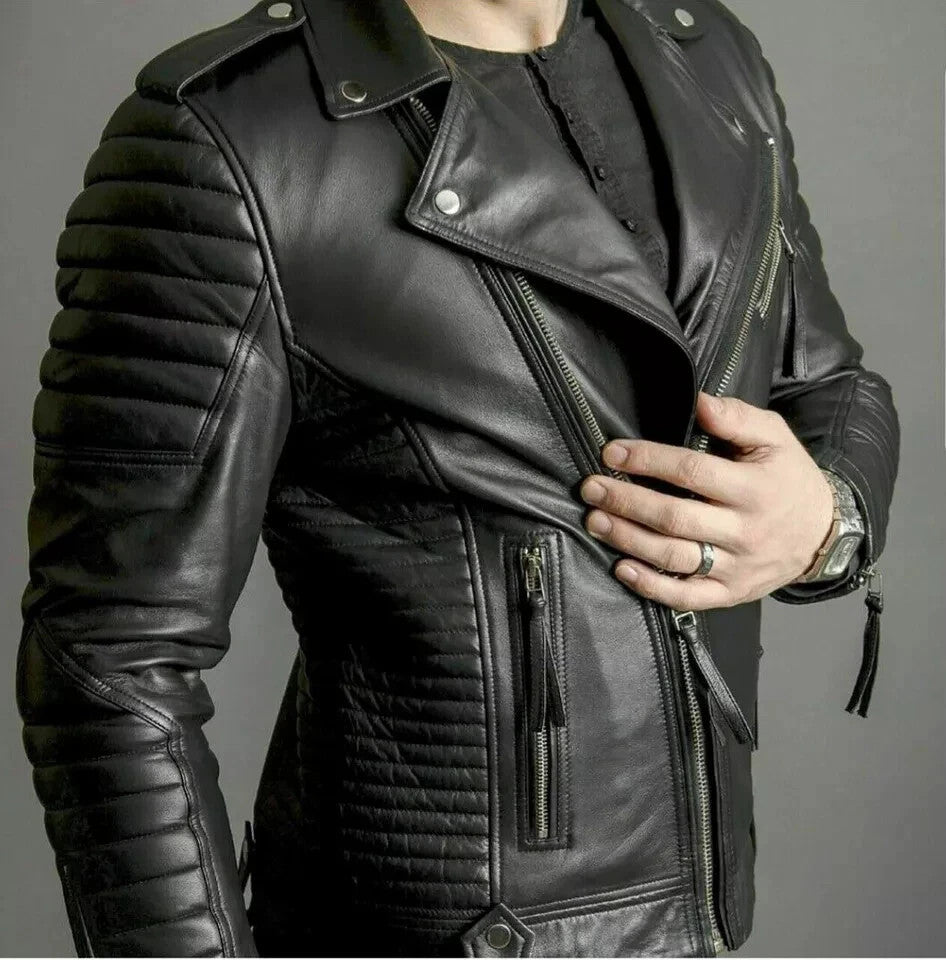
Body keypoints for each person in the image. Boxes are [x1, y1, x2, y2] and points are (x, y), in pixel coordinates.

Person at [16, 0, 899, 955]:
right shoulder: (232, 134)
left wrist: (830, 522)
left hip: (704, 923)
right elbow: (109, 662)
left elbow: (827, 380)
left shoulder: (706, 52)